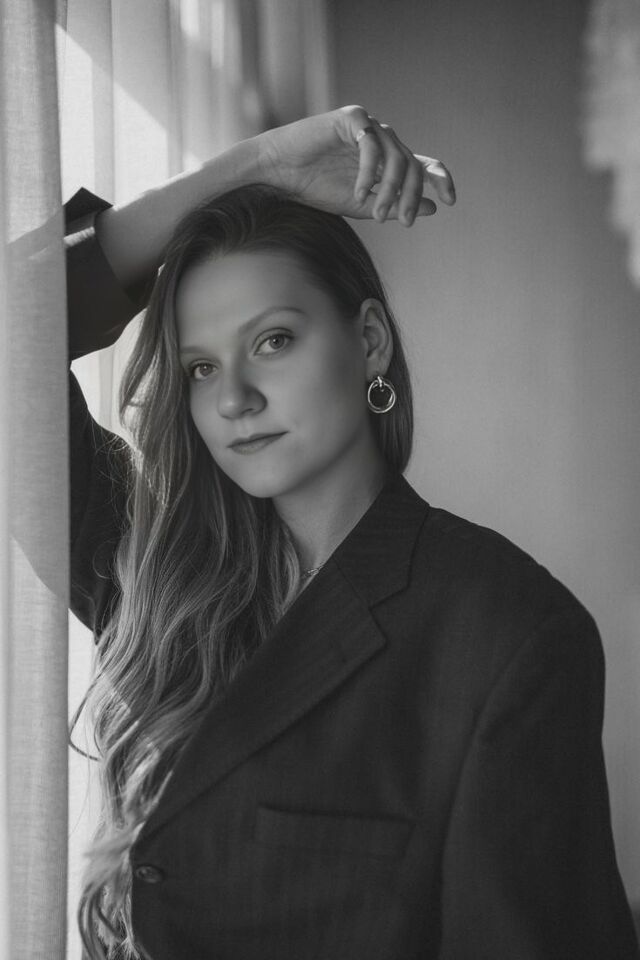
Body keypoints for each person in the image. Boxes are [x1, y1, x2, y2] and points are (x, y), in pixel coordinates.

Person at [64, 105, 639, 960]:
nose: (234, 400)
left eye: (273, 341)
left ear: (368, 340)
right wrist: (250, 167)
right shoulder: (162, 582)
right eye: (201, 367)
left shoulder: (507, 634)